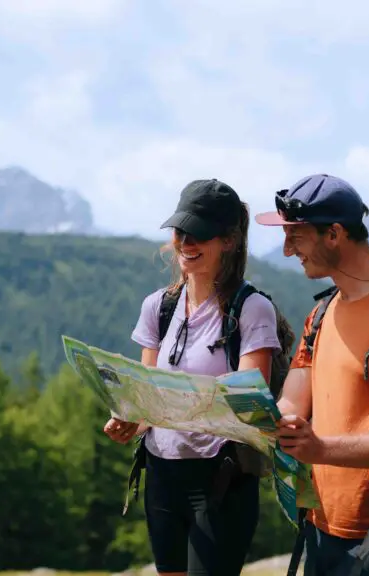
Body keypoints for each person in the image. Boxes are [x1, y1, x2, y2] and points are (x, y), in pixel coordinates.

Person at [255, 174, 369, 576]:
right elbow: (292, 404)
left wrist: (319, 449)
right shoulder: (320, 314)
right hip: (321, 524)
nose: (287, 250)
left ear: (334, 234)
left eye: (296, 236)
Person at [103, 179, 282, 576]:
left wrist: (178, 403)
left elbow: (252, 409)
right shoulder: (158, 308)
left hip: (221, 479)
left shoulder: (252, 311)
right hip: (162, 474)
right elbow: (147, 397)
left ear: (229, 241)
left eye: (199, 233)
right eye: (180, 231)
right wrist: (132, 418)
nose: (186, 241)